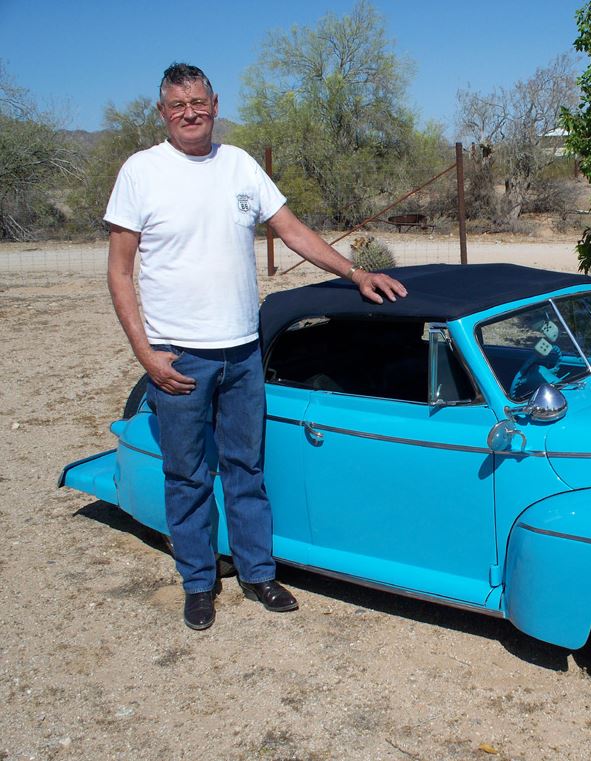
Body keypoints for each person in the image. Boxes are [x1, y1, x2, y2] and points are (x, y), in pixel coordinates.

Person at [105, 62, 407, 631]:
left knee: (247, 467)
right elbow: (120, 272)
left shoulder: (240, 165)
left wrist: (355, 273)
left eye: (198, 101)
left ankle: (257, 574)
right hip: (179, 356)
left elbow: (291, 230)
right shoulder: (141, 172)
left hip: (244, 352)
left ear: (215, 102)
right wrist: (146, 357)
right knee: (188, 473)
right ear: (162, 112)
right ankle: (197, 581)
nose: (190, 113)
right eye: (177, 105)